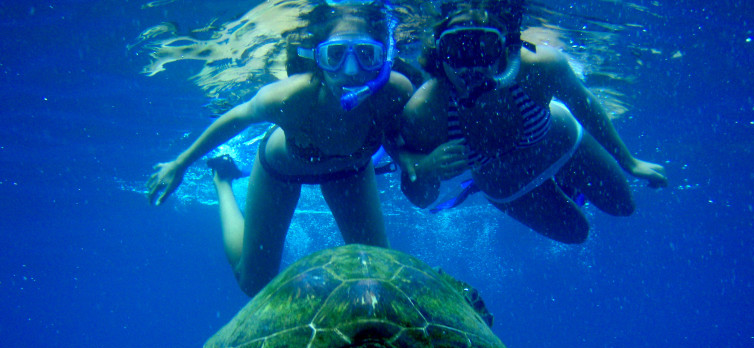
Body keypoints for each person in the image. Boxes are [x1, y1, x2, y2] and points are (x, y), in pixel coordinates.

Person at [146, 2, 413, 296]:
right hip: (281, 171)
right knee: (254, 284)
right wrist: (180, 163)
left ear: (382, 59)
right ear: (317, 58)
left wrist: (416, 161)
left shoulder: (396, 93)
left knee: (378, 272)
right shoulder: (290, 97)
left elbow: (402, 136)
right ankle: (223, 182)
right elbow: (236, 117)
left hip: (351, 172)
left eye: (366, 55)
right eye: (335, 55)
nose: (350, 71)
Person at [397, 2, 667, 244]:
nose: (471, 67)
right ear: (439, 51)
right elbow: (420, 197)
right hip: (507, 184)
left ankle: (567, 183)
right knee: (577, 233)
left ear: (505, 45)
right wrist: (427, 167)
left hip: (561, 145)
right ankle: (565, 186)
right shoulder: (425, 111)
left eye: (485, 48)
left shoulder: (539, 67)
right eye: (457, 50)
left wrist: (630, 162)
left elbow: (585, 106)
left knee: (624, 206)